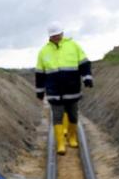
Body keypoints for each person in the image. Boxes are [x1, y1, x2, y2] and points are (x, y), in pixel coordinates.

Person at [35, 22, 93, 154]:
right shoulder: (43, 52)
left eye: (58, 34)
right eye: (53, 35)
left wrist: (87, 77)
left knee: (73, 115)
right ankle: (61, 144)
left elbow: (84, 63)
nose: (56, 37)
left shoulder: (73, 46)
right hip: (53, 91)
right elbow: (39, 73)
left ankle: (72, 137)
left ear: (62, 33)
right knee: (57, 116)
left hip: (72, 89)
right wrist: (40, 91)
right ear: (49, 37)